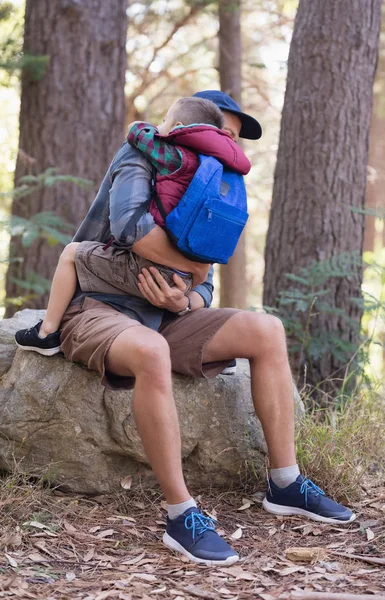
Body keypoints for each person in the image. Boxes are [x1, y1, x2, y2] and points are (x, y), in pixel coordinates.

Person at [16, 90, 356, 567]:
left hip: (170, 311)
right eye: (223, 132)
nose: (227, 145)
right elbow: (132, 226)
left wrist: (187, 296)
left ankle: (286, 483)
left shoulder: (213, 180)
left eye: (233, 139)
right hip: (99, 304)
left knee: (268, 330)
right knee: (151, 350)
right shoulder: (144, 153)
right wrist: (192, 271)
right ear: (195, 128)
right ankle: (181, 514)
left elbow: (207, 281)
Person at [15, 96, 250, 356]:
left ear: (179, 126)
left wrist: (142, 125)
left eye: (164, 121)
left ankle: (47, 332)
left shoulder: (175, 158)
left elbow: (139, 135)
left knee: (71, 253)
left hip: (151, 276)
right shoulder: (214, 175)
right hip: (172, 281)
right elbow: (196, 262)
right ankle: (216, 356)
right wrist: (194, 269)